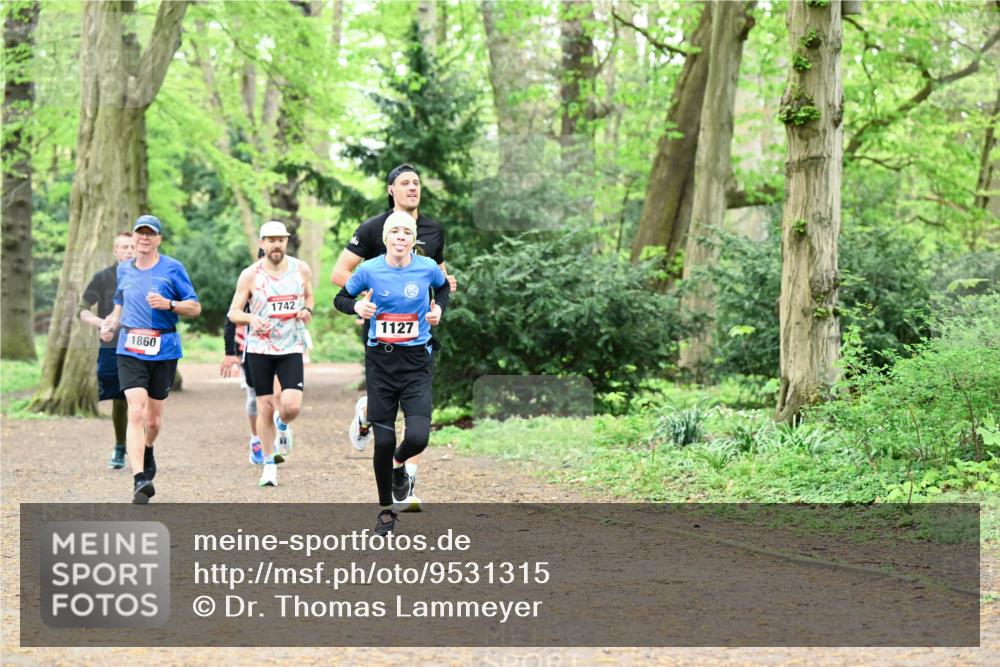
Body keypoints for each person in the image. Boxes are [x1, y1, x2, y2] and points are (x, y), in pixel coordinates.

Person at [330, 163, 457, 511]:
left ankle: (406, 482)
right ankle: (366, 416)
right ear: (391, 190)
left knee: (416, 423)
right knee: (384, 420)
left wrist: (439, 301)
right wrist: (370, 300)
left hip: (418, 337)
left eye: (417, 182)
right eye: (405, 183)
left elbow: (439, 277)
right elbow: (339, 274)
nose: (413, 188)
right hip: (380, 333)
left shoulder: (433, 230)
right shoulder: (373, 227)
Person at [100, 215, 201, 503]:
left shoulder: (173, 268)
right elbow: (119, 303)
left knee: (153, 421)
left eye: (150, 234)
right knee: (136, 411)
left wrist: (169, 304)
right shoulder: (124, 270)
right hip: (130, 348)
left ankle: (148, 447)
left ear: (158, 239)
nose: (144, 238)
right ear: (133, 237)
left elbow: (194, 307)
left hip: (164, 348)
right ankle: (139, 479)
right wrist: (111, 323)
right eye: (139, 233)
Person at [227, 221, 314, 488]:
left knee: (291, 407)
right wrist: (252, 319)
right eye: (271, 240)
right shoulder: (250, 275)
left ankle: (282, 423)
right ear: (262, 243)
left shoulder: (301, 269)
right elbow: (233, 313)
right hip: (259, 350)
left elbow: (309, 298)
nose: (276, 245)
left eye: (281, 240)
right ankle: (268, 464)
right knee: (263, 405)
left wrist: (307, 311)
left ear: (286, 242)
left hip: (290, 347)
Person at [79, 231, 135, 469]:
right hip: (112, 344)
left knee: (141, 397)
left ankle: (143, 449)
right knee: (120, 397)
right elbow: (82, 309)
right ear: (115, 251)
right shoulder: (103, 277)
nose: (128, 251)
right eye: (123, 247)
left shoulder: (148, 276)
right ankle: (120, 447)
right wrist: (101, 323)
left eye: (132, 247)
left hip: (141, 342)